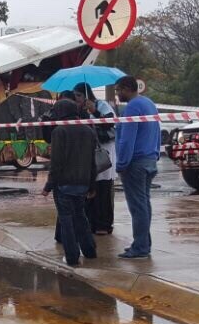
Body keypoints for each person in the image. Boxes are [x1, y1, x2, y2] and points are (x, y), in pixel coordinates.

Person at [42, 98, 97, 267]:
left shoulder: (60, 132)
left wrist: (48, 186)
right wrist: (92, 184)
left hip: (64, 184)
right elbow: (92, 161)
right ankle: (90, 251)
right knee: (81, 217)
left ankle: (72, 257)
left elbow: (56, 162)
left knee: (66, 220)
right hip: (83, 183)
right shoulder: (89, 131)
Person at [114, 76, 160, 259]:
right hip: (149, 160)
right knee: (144, 204)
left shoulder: (132, 107)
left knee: (137, 207)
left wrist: (122, 163)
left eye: (118, 90)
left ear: (126, 88)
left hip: (135, 163)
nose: (117, 94)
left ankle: (140, 247)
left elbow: (127, 139)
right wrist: (155, 153)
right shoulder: (148, 103)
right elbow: (156, 130)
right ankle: (143, 243)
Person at [75, 82, 117, 234]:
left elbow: (110, 123)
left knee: (103, 188)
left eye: (79, 95)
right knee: (91, 188)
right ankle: (91, 222)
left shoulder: (101, 105)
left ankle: (104, 224)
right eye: (75, 96)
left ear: (86, 95)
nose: (77, 99)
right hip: (88, 152)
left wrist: (95, 111)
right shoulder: (80, 110)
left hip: (103, 150)